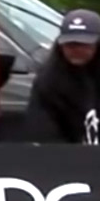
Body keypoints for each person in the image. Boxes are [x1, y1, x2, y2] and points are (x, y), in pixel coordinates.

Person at [25, 8, 100, 144]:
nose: (77, 50)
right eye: (70, 45)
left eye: (84, 45)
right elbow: (42, 133)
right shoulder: (48, 82)